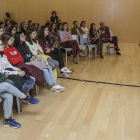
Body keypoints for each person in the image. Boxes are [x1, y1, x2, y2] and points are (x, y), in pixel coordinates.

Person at [0, 39, 39, 104]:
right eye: (1, 45)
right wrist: (16, 72)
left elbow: (10, 66)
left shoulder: (3, 56)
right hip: (5, 77)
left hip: (10, 73)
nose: (3, 46)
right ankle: (24, 97)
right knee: (15, 83)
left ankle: (21, 96)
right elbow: (2, 72)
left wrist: (18, 70)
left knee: (31, 78)